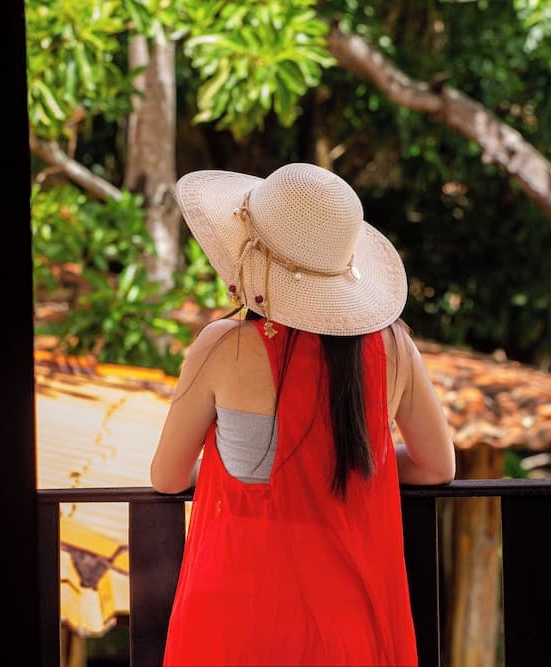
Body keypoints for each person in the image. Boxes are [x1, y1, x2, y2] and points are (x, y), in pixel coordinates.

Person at [150, 162, 455, 666]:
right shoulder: (394, 348)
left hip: (238, 617)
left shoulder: (223, 346)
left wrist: (245, 470)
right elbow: (437, 466)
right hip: (347, 616)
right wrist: (356, 465)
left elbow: (168, 477)